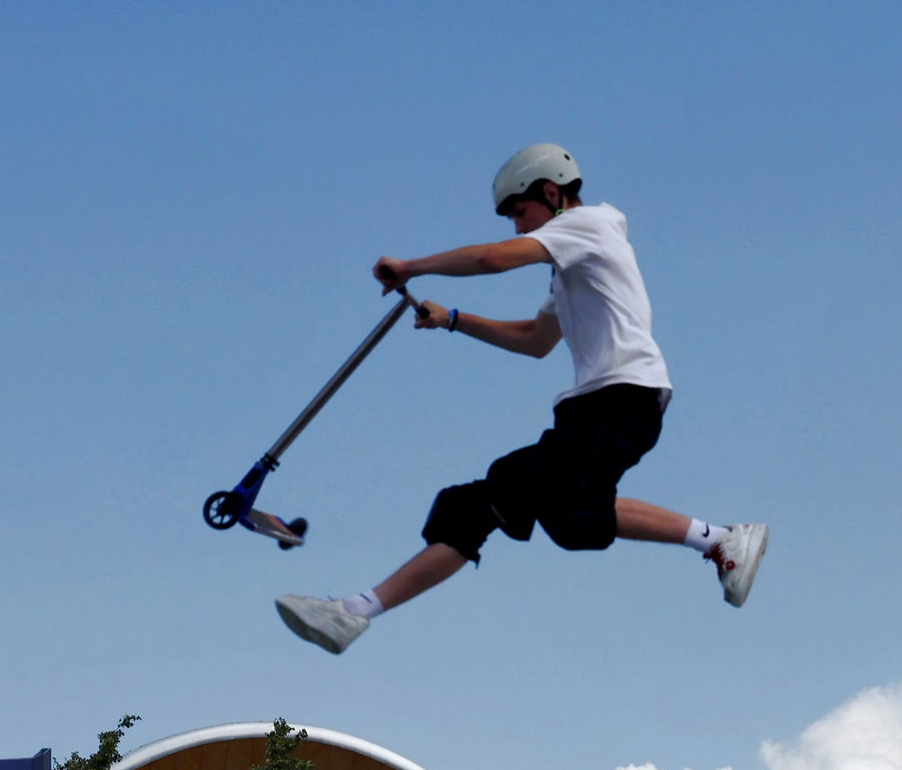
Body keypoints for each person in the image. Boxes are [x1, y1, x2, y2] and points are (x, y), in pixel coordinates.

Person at [276, 143, 767, 655]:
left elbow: (493, 259)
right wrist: (453, 320)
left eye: (520, 212)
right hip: (591, 405)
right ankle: (352, 614)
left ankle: (721, 539)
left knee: (570, 505)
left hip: (624, 396)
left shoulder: (589, 227)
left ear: (552, 193)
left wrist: (412, 266)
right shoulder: (571, 266)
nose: (518, 227)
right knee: (489, 507)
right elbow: (535, 340)